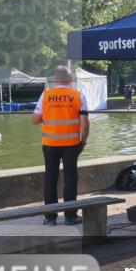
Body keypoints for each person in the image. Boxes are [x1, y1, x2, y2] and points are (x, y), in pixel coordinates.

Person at [30, 66, 89, 225]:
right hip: (71, 144)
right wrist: (83, 142)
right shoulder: (78, 95)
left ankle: (50, 217)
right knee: (70, 178)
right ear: (70, 80)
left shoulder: (46, 94)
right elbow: (85, 123)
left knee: (50, 178)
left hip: (50, 144)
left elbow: (34, 120)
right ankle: (70, 216)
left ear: (55, 80)